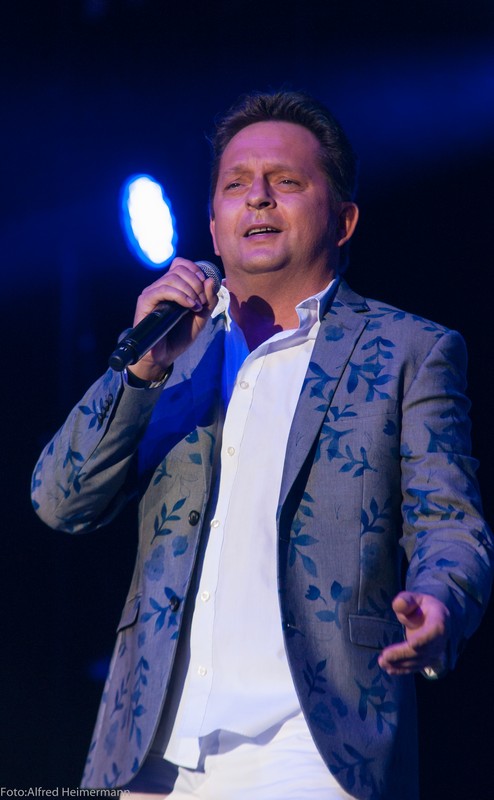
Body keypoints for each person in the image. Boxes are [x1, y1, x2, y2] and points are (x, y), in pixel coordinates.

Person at [31, 91, 493, 800]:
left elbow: (450, 524)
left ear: (344, 220)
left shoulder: (409, 350)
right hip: (149, 751)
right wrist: (141, 371)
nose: (259, 199)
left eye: (286, 181)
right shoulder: (172, 352)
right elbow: (59, 500)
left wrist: (440, 602)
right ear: (214, 228)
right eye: (237, 184)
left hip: (313, 749)